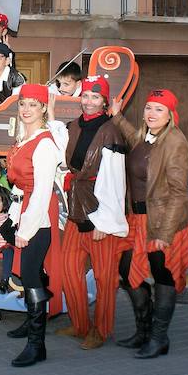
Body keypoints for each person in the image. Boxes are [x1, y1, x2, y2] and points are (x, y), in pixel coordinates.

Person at [110, 89, 188, 359]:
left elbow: (178, 191)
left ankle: (159, 338)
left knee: (163, 276)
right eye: (148, 107)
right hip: (136, 219)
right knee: (127, 270)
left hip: (161, 221)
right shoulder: (144, 136)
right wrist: (117, 116)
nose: (151, 113)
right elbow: (131, 137)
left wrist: (165, 233)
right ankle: (143, 330)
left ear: (170, 114)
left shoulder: (174, 141)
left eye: (158, 109)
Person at [55, 75, 129, 350]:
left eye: (95, 97)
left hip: (100, 212)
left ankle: (101, 329)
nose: (88, 101)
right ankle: (80, 324)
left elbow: (116, 182)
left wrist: (106, 221)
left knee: (104, 275)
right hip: (77, 208)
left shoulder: (111, 131)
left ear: (104, 101)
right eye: (85, 95)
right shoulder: (72, 126)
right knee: (69, 268)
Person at [5, 84, 65, 367]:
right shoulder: (24, 138)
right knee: (32, 273)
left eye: (33, 104)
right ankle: (32, 324)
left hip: (37, 214)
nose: (26, 109)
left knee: (29, 275)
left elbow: (42, 191)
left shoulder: (44, 143)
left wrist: (25, 230)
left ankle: (37, 344)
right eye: (23, 104)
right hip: (24, 208)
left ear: (43, 108)